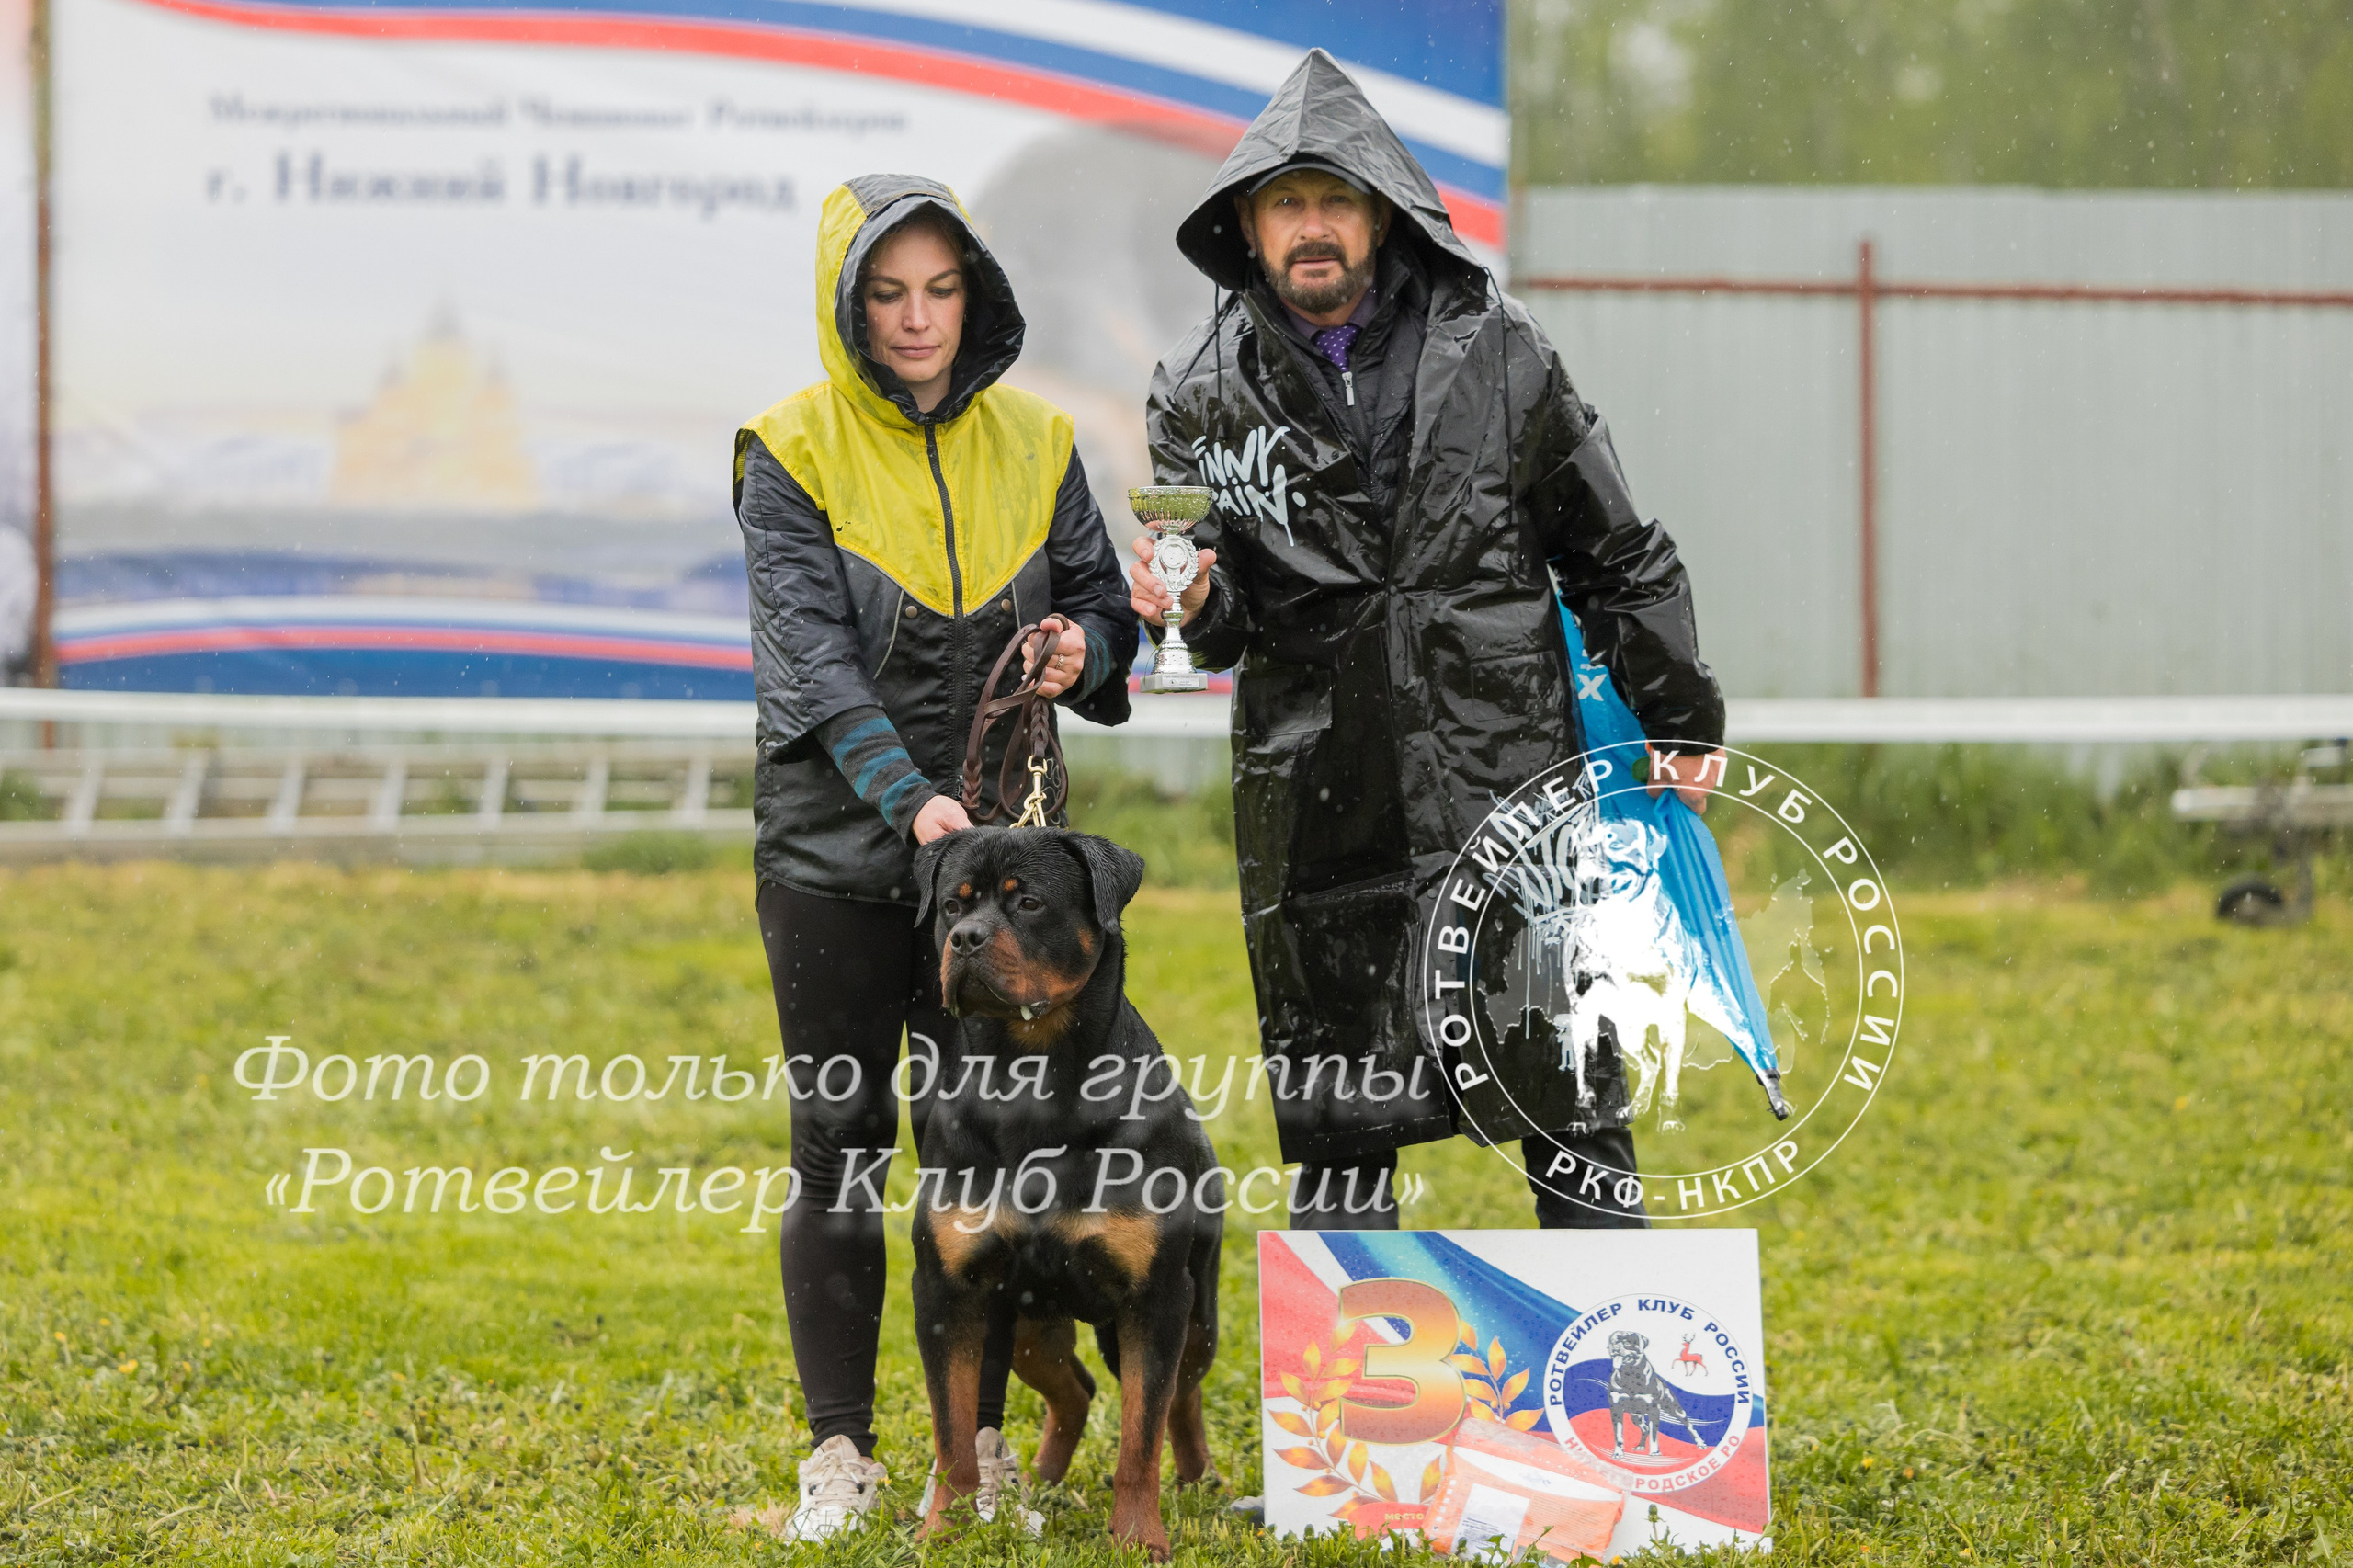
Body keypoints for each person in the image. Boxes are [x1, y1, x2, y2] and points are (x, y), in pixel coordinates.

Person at [1131, 52, 1727, 1233]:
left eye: (1334, 199)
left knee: (1572, 1104)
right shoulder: (1196, 394)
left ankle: (1615, 1349)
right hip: (1322, 801)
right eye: (1285, 203)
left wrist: (1680, 717)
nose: (1311, 227)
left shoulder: (1500, 350)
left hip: (1505, 773)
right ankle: (1353, 1360)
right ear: (1246, 224)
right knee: (1342, 1136)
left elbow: (1613, 548)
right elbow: (1223, 617)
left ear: (1381, 213)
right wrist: (1182, 602)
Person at [736, 175, 1136, 1540]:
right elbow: (811, 660)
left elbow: (1102, 603)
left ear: (978, 295)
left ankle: (982, 1449)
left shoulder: (1040, 436)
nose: (917, 319)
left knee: (998, 1156)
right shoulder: (787, 448)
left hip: (997, 870)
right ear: (846, 305)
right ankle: (840, 1452)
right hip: (840, 859)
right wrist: (912, 803)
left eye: (942, 289)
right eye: (888, 293)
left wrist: (1091, 647)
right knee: (841, 1146)